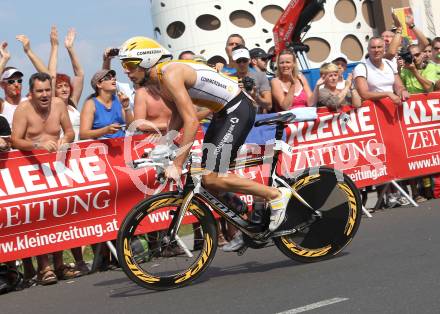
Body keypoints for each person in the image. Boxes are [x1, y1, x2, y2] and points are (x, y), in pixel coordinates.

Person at [119, 36, 292, 252]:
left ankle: (274, 195)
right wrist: (164, 147)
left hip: (237, 109)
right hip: (223, 113)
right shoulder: (159, 81)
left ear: (146, 61)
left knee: (212, 176)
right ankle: (249, 224)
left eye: (129, 65)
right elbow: (178, 117)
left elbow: (192, 120)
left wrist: (178, 163)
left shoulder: (169, 74)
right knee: (208, 180)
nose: (125, 71)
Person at [11, 72, 75, 285]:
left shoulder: (58, 104)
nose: (45, 94)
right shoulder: (23, 109)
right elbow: (16, 140)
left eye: (48, 89)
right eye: (40, 91)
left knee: (59, 215)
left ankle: (58, 264)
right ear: (32, 92)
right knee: (39, 217)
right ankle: (44, 267)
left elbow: (69, 132)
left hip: (56, 167)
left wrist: (65, 140)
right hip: (32, 169)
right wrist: (37, 145)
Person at [48, 26, 84, 142]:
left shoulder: (72, 103)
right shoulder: (52, 104)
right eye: (59, 87)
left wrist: (70, 48)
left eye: (66, 86)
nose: (64, 89)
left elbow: (79, 75)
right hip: (61, 152)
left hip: (79, 152)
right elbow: (51, 76)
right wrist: (54, 47)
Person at [352, 37, 409, 106]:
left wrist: (403, 91)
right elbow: (364, 94)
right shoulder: (361, 68)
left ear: (384, 48)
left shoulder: (389, 64)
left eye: (379, 47)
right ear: (368, 49)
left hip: (392, 106)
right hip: (373, 110)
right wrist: (388, 94)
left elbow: (399, 86)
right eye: (373, 47)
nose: (376, 50)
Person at [80, 69, 133, 140]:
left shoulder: (119, 99)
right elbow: (83, 134)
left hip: (123, 145)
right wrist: (105, 131)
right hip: (102, 148)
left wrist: (127, 107)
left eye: (113, 77)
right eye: (108, 77)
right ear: (99, 84)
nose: (113, 79)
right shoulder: (90, 104)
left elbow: (131, 128)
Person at [231, 45, 272, 113]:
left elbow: (269, 106)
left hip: (255, 118)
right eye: (238, 61)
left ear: (249, 60)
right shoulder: (228, 79)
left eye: (244, 60)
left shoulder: (261, 76)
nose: (242, 64)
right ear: (233, 61)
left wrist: (255, 96)